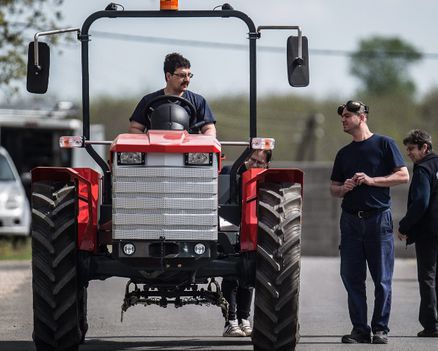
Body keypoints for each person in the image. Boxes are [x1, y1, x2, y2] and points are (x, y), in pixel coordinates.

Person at [330, 100, 409, 344]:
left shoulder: (385, 144)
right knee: (351, 277)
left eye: (347, 116)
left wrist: (371, 180)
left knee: (382, 278)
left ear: (362, 117)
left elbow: (403, 175)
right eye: (342, 116)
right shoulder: (343, 153)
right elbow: (333, 188)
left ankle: (380, 329)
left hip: (378, 220)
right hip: (351, 221)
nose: (343, 119)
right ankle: (360, 330)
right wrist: (344, 187)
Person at [222, 149, 271, 337]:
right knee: (230, 276)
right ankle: (230, 321)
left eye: (260, 163)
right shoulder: (230, 172)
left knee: (248, 277)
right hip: (230, 227)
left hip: (251, 230)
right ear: (245, 159)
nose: (255, 165)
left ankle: (244, 319)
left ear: (266, 165)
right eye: (252, 160)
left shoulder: (265, 180)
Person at [397, 129, 438, 338]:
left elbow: (421, 201)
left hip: (429, 232)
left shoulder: (423, 168)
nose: (409, 153)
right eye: (407, 149)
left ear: (425, 148)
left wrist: (404, 226)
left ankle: (432, 325)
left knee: (428, 278)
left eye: (412, 149)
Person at [129, 52, 216, 136]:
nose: (187, 79)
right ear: (168, 76)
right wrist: (148, 145)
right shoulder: (148, 101)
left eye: (189, 75)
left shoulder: (198, 101)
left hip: (189, 150)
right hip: (155, 150)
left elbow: (209, 129)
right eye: (182, 75)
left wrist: (203, 141)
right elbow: (135, 128)